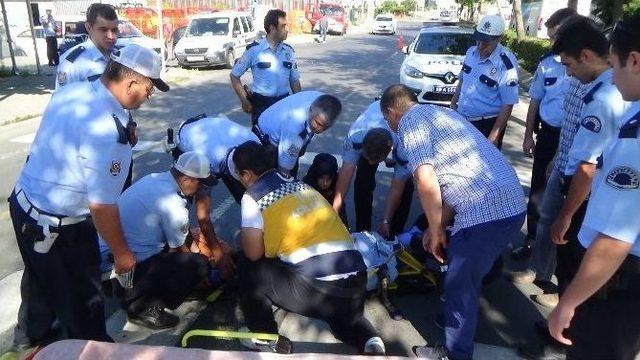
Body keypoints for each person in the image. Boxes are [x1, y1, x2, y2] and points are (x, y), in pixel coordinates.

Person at [7, 44, 168, 351]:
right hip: (60, 228)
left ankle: (30, 337)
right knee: (85, 305)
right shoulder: (109, 134)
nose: (150, 95)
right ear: (131, 83)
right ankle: (89, 350)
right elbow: (102, 207)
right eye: (149, 88)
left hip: (25, 203)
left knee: (40, 279)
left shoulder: (74, 92)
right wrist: (123, 255)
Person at [381, 84, 526, 360]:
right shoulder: (443, 113)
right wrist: (437, 224)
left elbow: (426, 180)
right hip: (510, 204)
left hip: (486, 212)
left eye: (388, 121)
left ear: (392, 113)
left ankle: (456, 352)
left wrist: (436, 230)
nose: (390, 125)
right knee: (465, 267)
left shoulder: (410, 123)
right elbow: (453, 178)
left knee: (459, 282)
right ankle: (459, 316)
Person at [233, 142, 385, 355]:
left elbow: (253, 253)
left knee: (247, 263)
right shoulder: (302, 186)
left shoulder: (253, 196)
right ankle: (371, 339)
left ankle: (263, 336)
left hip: (317, 289)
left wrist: (244, 237)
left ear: (247, 174)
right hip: (357, 279)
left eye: (240, 176)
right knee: (346, 321)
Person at [548, 14, 640, 360]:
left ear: (634, 60)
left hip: (618, 283)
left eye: (615, 64)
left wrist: (568, 303)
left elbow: (616, 236)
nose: (613, 77)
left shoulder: (632, 134)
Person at [99, 152, 220, 330]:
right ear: (186, 179)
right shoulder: (173, 204)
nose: (201, 189)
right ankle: (143, 306)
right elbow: (179, 250)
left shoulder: (154, 179)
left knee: (189, 251)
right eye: (200, 183)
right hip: (126, 266)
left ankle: (124, 288)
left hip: (109, 255)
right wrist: (202, 276)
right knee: (198, 265)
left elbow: (179, 237)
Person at [512, 7, 577, 260]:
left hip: (573, 139)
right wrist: (528, 134)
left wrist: (560, 155)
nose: (552, 43)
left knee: (564, 197)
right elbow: (535, 102)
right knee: (538, 190)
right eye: (550, 37)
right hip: (548, 135)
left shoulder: (583, 71)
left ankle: (555, 255)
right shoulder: (546, 65)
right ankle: (531, 242)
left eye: (555, 37)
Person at [332, 100, 413, 238]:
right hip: (373, 129)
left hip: (403, 127)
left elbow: (397, 187)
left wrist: (385, 220)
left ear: (389, 152)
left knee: (406, 186)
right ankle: (363, 230)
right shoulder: (356, 136)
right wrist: (334, 211)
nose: (370, 162)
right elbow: (345, 174)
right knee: (363, 180)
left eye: (374, 160)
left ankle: (394, 233)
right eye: (367, 157)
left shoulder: (405, 144)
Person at [450, 14, 519, 149]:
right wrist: (453, 104)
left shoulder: (505, 63)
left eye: (486, 42)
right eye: (478, 40)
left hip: (486, 125)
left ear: (499, 38)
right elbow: (462, 81)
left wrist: (493, 137)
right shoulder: (471, 53)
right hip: (462, 119)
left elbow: (508, 104)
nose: (480, 46)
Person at [230, 9, 301, 124]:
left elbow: (294, 81)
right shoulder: (254, 50)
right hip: (262, 105)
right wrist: (244, 99)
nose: (287, 29)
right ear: (272, 28)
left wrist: (300, 104)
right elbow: (234, 75)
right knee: (261, 140)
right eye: (283, 26)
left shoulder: (289, 52)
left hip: (284, 103)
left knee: (282, 140)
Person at [252, 90, 342, 177]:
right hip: (265, 142)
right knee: (272, 180)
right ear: (310, 109)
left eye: (325, 126)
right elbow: (284, 169)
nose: (319, 129)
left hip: (279, 126)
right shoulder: (295, 127)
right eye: (318, 123)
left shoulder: (323, 101)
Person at [56, 3, 119, 89]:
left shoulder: (120, 56)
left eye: (114, 30)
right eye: (103, 30)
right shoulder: (73, 64)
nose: (111, 36)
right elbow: (63, 100)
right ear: (88, 27)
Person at [302, 153, 347, 225]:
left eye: (329, 179)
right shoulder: (304, 189)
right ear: (315, 175)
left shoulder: (335, 190)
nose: (325, 183)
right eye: (321, 178)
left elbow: (342, 221)